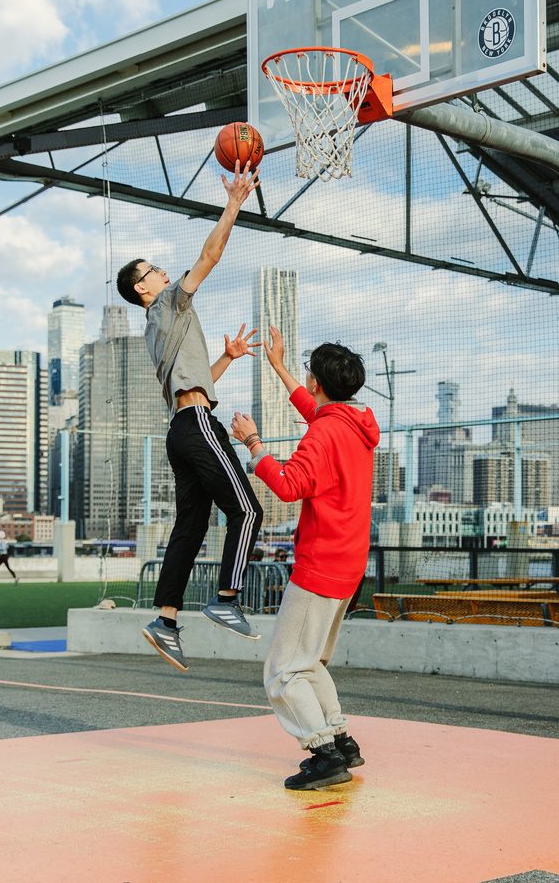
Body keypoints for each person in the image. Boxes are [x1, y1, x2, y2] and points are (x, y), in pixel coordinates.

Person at [115, 162, 264, 672]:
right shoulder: (170, 303)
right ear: (143, 288)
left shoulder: (156, 327)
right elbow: (210, 254)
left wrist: (226, 358)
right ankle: (226, 597)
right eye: (151, 269)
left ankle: (166, 620)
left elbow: (192, 381)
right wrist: (234, 203)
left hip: (182, 429)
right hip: (197, 426)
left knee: (191, 526)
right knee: (247, 511)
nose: (160, 270)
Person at [230, 326, 378, 791]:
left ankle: (323, 754)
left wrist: (254, 444)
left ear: (317, 381)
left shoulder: (322, 435)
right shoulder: (354, 425)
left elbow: (290, 486)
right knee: (310, 660)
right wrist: (278, 366)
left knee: (282, 671)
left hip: (321, 564)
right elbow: (315, 412)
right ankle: (340, 738)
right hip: (349, 563)